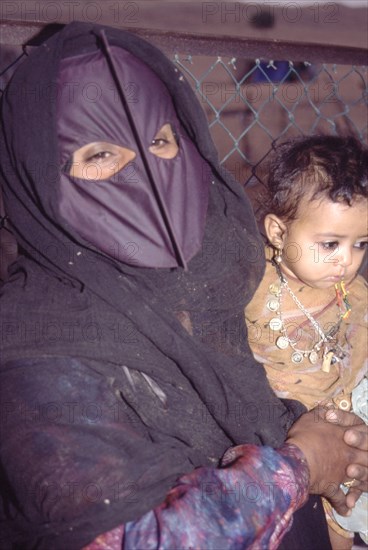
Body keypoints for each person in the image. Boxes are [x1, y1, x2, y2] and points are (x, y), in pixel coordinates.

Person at [0, 22, 367, 550]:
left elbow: (247, 407)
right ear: (39, 177)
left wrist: (340, 445)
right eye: (101, 155)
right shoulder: (36, 353)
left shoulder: (201, 282)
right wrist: (301, 466)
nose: (147, 175)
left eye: (158, 141)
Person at [245, 136, 368, 549]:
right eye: (330, 244)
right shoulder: (251, 288)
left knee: (344, 523)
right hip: (282, 441)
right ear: (279, 232)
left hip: (345, 435)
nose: (346, 260)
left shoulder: (356, 294)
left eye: (361, 244)